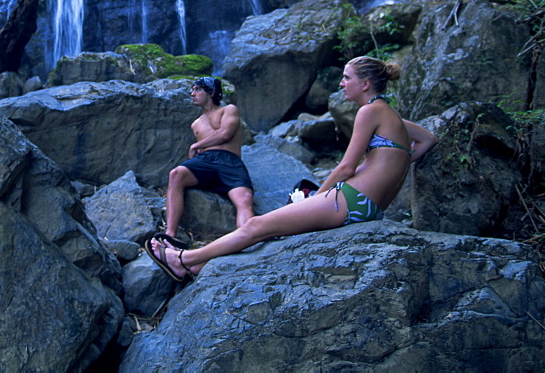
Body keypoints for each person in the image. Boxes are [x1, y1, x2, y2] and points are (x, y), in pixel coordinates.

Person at [147, 57, 438, 282]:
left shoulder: (369, 111)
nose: (341, 84)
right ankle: (200, 263)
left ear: (365, 84)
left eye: (346, 78)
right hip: (371, 208)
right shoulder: (392, 116)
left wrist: (319, 196)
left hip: (349, 200)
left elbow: (347, 166)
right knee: (269, 229)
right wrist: (384, 165)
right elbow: (428, 139)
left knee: (256, 226)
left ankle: (183, 259)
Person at [158, 77, 255, 247]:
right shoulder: (196, 123)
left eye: (197, 89)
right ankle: (170, 235)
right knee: (176, 174)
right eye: (192, 89)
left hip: (229, 160)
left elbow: (225, 134)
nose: (192, 93)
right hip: (206, 161)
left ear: (211, 93)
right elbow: (198, 156)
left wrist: (196, 145)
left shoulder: (228, 110)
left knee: (245, 198)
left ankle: (247, 238)